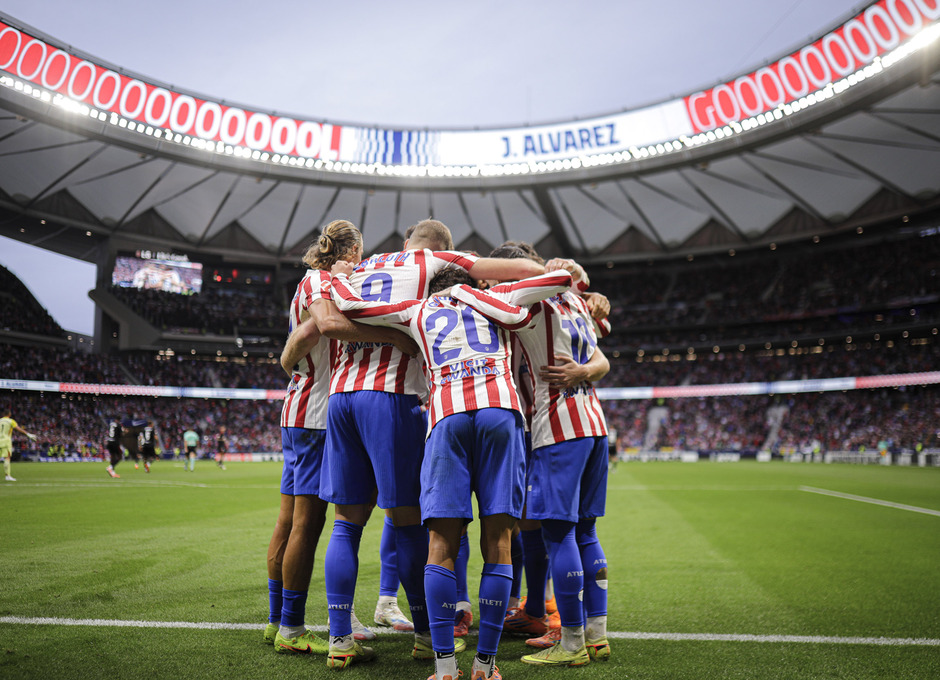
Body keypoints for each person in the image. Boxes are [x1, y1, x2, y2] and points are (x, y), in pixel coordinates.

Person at [318, 218, 545, 669]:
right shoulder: (435, 262)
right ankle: (427, 635)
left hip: (340, 396)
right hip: (394, 396)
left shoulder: (361, 265)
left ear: (406, 241)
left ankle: (340, 636)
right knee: (410, 524)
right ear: (445, 248)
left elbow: (327, 319)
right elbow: (521, 272)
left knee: (345, 524)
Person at [264, 220, 418, 656]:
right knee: (312, 523)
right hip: (316, 415)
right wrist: (392, 337)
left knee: (290, 521)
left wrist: (288, 362)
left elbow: (299, 341)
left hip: (301, 411)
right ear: (351, 252)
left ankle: (278, 621)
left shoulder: (314, 282)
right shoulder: (322, 281)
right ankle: (292, 627)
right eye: (360, 253)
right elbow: (321, 327)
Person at [467, 254, 612, 666]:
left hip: (558, 428)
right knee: (586, 532)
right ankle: (596, 635)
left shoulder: (531, 304)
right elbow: (601, 353)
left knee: (559, 534)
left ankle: (571, 642)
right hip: (595, 424)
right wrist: (584, 282)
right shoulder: (577, 303)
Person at [1, 408, 37, 482]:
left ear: (3, 414)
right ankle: (7, 476)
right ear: (9, 414)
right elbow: (18, 429)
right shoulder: (11, 421)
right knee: (7, 458)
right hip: (6, 441)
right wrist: (28, 434)